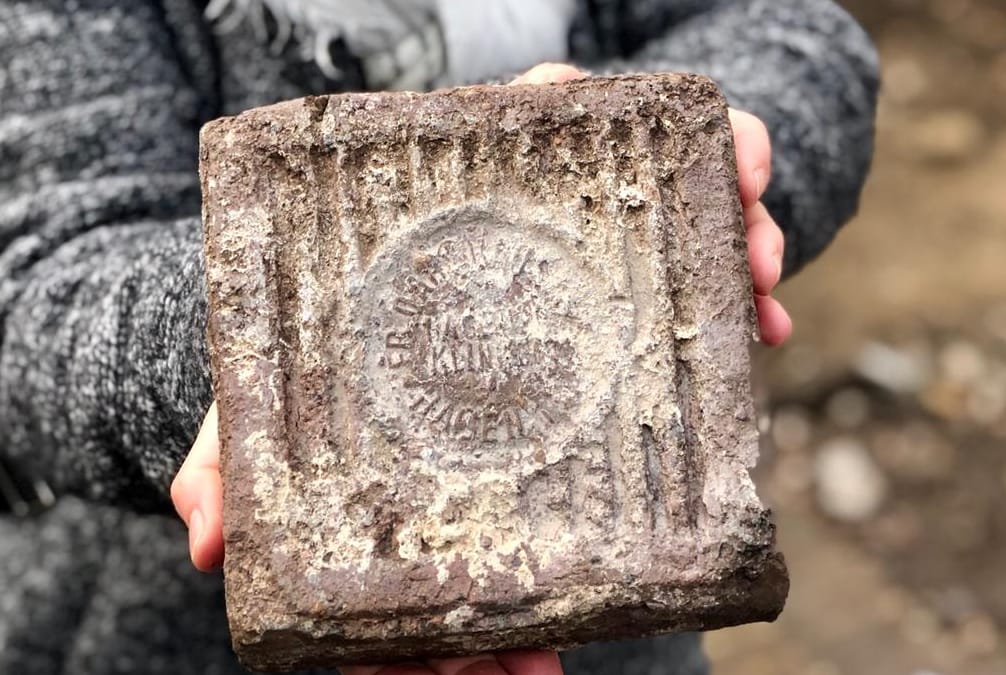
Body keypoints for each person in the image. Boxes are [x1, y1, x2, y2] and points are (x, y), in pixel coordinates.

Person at [0, 1, 878, 673]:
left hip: (617, 620)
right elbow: (35, 284)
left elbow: (791, 32)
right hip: (150, 623)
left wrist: (697, 171)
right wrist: (268, 338)